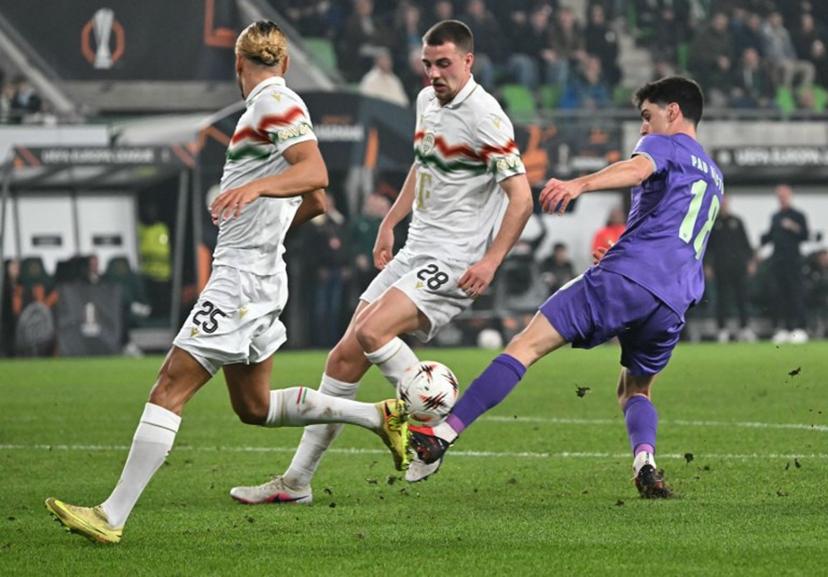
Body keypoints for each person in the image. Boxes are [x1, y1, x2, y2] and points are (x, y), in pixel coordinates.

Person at [44, 21, 409, 545]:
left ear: (239, 66)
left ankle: (112, 515)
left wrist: (257, 189)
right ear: (282, 60)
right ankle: (379, 416)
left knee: (170, 384)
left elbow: (315, 174)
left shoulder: (271, 103)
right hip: (262, 275)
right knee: (253, 407)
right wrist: (268, 214)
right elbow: (316, 205)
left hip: (241, 279)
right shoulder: (271, 111)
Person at [229, 19, 533, 503]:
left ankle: (432, 425)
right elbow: (422, 164)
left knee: (373, 333)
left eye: (444, 64)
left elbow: (520, 198)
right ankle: (297, 482)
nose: (434, 73)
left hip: (457, 258)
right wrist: (391, 222)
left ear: (468, 62)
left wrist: (491, 261)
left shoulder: (487, 117)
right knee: (344, 357)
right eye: (427, 64)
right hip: (416, 249)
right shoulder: (426, 102)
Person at [411, 76, 724, 499]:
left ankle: (442, 435)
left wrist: (580, 184)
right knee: (635, 389)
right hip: (672, 301)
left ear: (673, 111)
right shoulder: (714, 174)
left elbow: (636, 169)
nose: (643, 129)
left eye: (647, 117)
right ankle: (645, 461)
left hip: (626, 279)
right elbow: (671, 231)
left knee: (525, 345)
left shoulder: (664, 144)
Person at [761, 184, 810, 344]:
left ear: (789, 196)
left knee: (796, 293)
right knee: (780, 295)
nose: (781, 198)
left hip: (793, 261)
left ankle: (800, 328)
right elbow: (770, 236)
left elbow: (805, 235)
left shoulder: (798, 215)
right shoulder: (775, 216)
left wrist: (793, 227)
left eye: (784, 195)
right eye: (779, 196)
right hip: (778, 261)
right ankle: (785, 329)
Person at [706, 197, 755, 342]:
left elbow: (746, 243)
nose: (723, 205)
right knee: (722, 300)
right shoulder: (713, 223)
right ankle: (722, 330)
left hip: (738, 267)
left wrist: (751, 262)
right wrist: (707, 265)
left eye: (725, 202)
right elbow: (708, 247)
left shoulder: (737, 221)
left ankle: (744, 328)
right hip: (720, 267)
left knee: (742, 298)